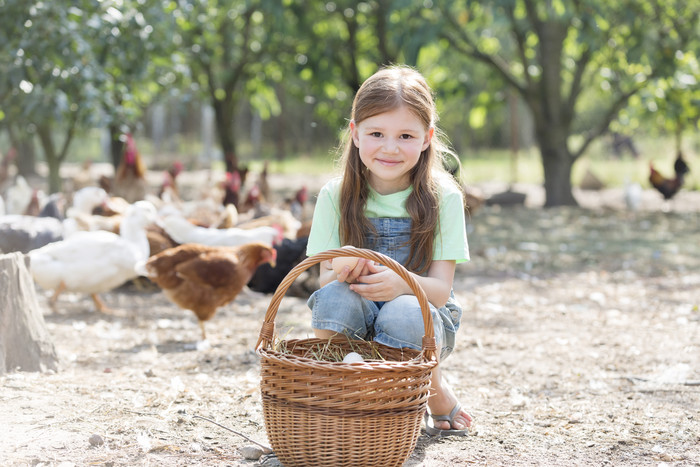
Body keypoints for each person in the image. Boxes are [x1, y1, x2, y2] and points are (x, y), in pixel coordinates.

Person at [305, 65, 473, 436]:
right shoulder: (336, 195)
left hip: (423, 318)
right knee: (334, 299)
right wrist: (346, 261)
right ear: (355, 133)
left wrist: (400, 282)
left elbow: (441, 292)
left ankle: (428, 388)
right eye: (377, 133)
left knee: (404, 313)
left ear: (427, 138)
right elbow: (326, 281)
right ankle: (344, 393)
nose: (391, 147)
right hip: (356, 308)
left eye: (406, 135)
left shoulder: (442, 197)